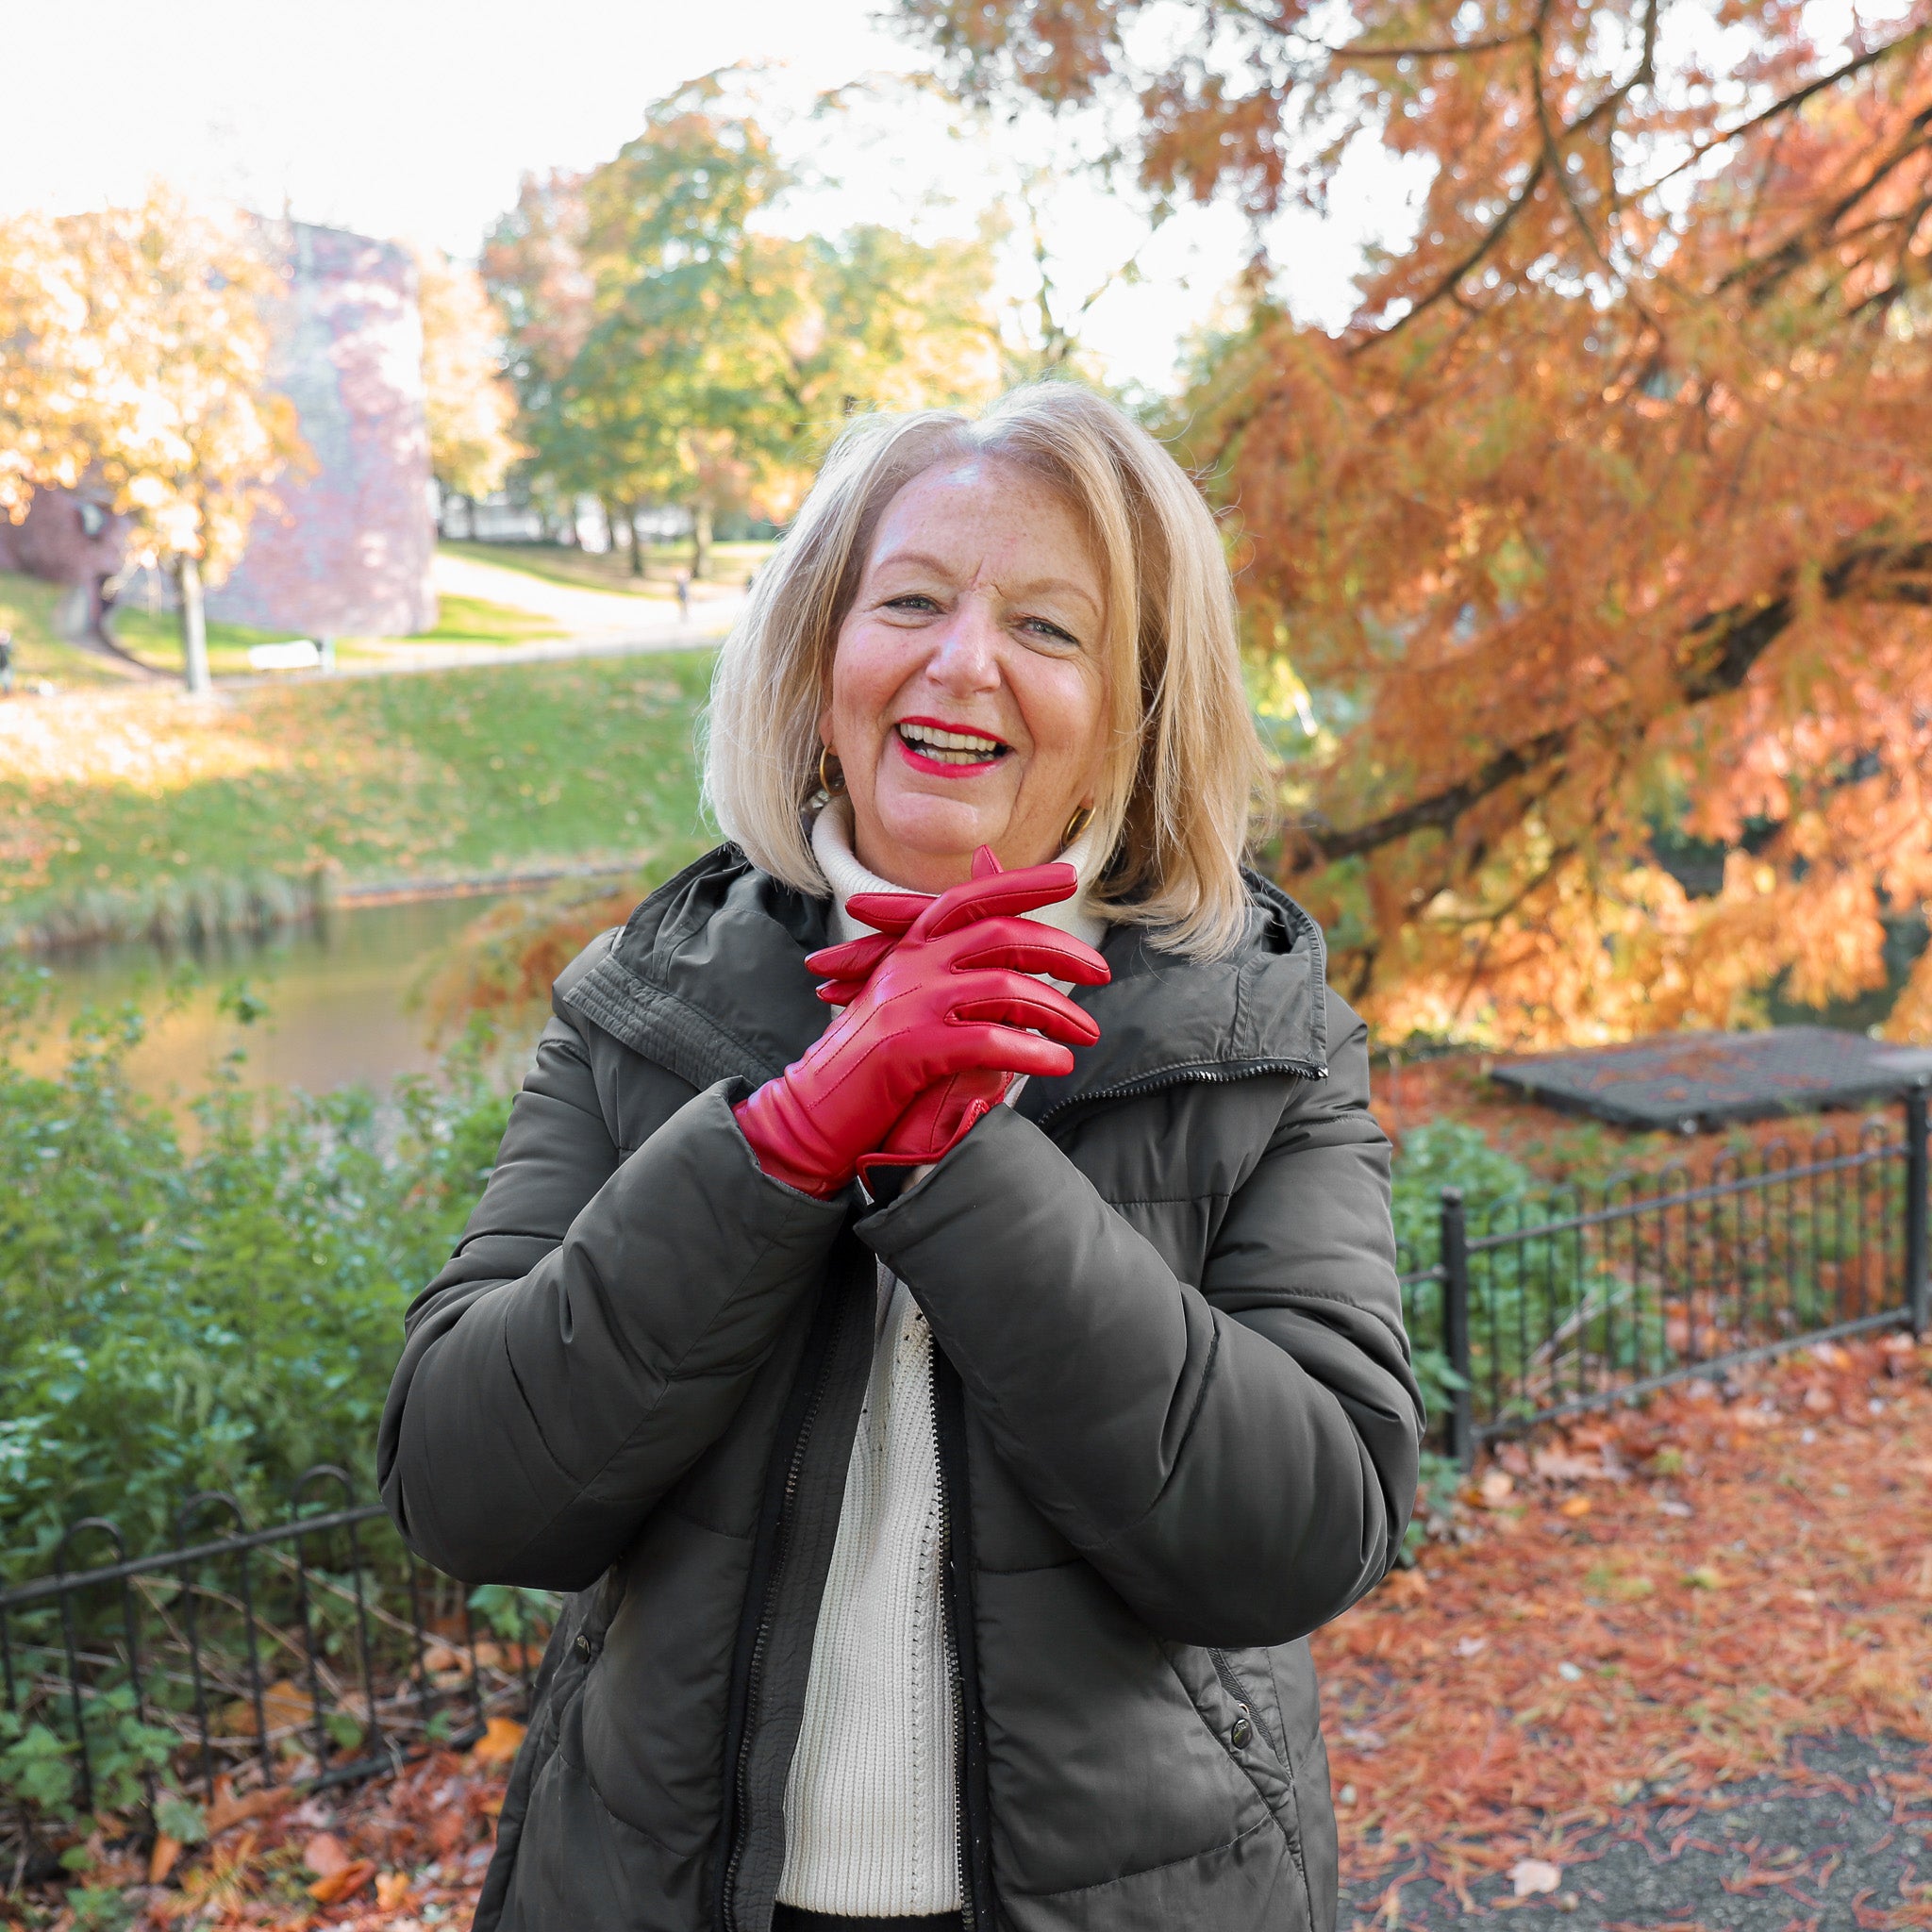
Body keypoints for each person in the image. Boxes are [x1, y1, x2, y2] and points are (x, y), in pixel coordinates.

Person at [379, 382, 1423, 1932]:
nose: (962, 661)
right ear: (821, 658)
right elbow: (467, 1491)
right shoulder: (639, 1008)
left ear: (1136, 713)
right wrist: (796, 1132)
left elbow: (1306, 1535)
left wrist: (955, 1161)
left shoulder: (1259, 1035)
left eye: (1050, 630)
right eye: (913, 601)